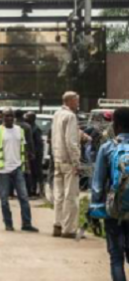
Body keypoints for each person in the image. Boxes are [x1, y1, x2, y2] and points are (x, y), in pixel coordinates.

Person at [90, 106, 129, 281]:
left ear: (116, 125)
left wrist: (95, 212)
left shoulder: (107, 148)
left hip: (114, 211)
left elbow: (97, 185)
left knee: (116, 259)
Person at [0, 108, 39, 232]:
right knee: (4, 199)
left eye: (11, 116)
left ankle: (26, 223)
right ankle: (8, 223)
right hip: (3, 170)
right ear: (2, 117)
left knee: (23, 196)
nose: (9, 118)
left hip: (17, 168)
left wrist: (26, 166)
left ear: (14, 118)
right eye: (6, 116)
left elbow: (24, 149)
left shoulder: (19, 131)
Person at [51, 92, 82, 238]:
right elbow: (71, 141)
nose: (78, 104)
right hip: (69, 161)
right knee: (71, 196)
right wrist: (76, 161)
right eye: (76, 101)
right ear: (69, 101)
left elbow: (54, 137)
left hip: (57, 158)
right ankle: (68, 229)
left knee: (59, 195)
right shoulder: (70, 116)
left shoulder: (57, 114)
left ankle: (57, 224)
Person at [15, 109, 35, 195]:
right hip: (24, 152)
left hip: (13, 151)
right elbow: (30, 141)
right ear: (22, 115)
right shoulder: (27, 126)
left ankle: (11, 192)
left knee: (12, 171)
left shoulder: (13, 125)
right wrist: (32, 152)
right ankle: (28, 191)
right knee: (26, 172)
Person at [25, 112, 45, 198]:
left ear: (32, 118)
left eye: (27, 116)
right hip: (31, 154)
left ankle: (39, 190)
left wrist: (34, 153)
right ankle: (32, 189)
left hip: (36, 155)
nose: (25, 118)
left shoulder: (36, 129)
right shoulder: (29, 127)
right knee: (31, 173)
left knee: (36, 173)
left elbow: (38, 144)